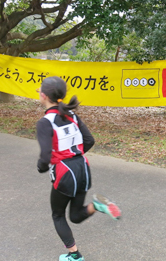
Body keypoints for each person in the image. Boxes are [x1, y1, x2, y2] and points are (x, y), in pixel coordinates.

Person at [36, 76, 121, 261]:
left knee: (58, 215)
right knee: (75, 216)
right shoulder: (72, 115)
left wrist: (41, 167)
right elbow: (89, 140)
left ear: (43, 96)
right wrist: (74, 155)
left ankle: (74, 255)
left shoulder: (45, 122)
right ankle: (97, 205)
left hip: (65, 173)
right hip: (83, 168)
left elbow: (44, 157)